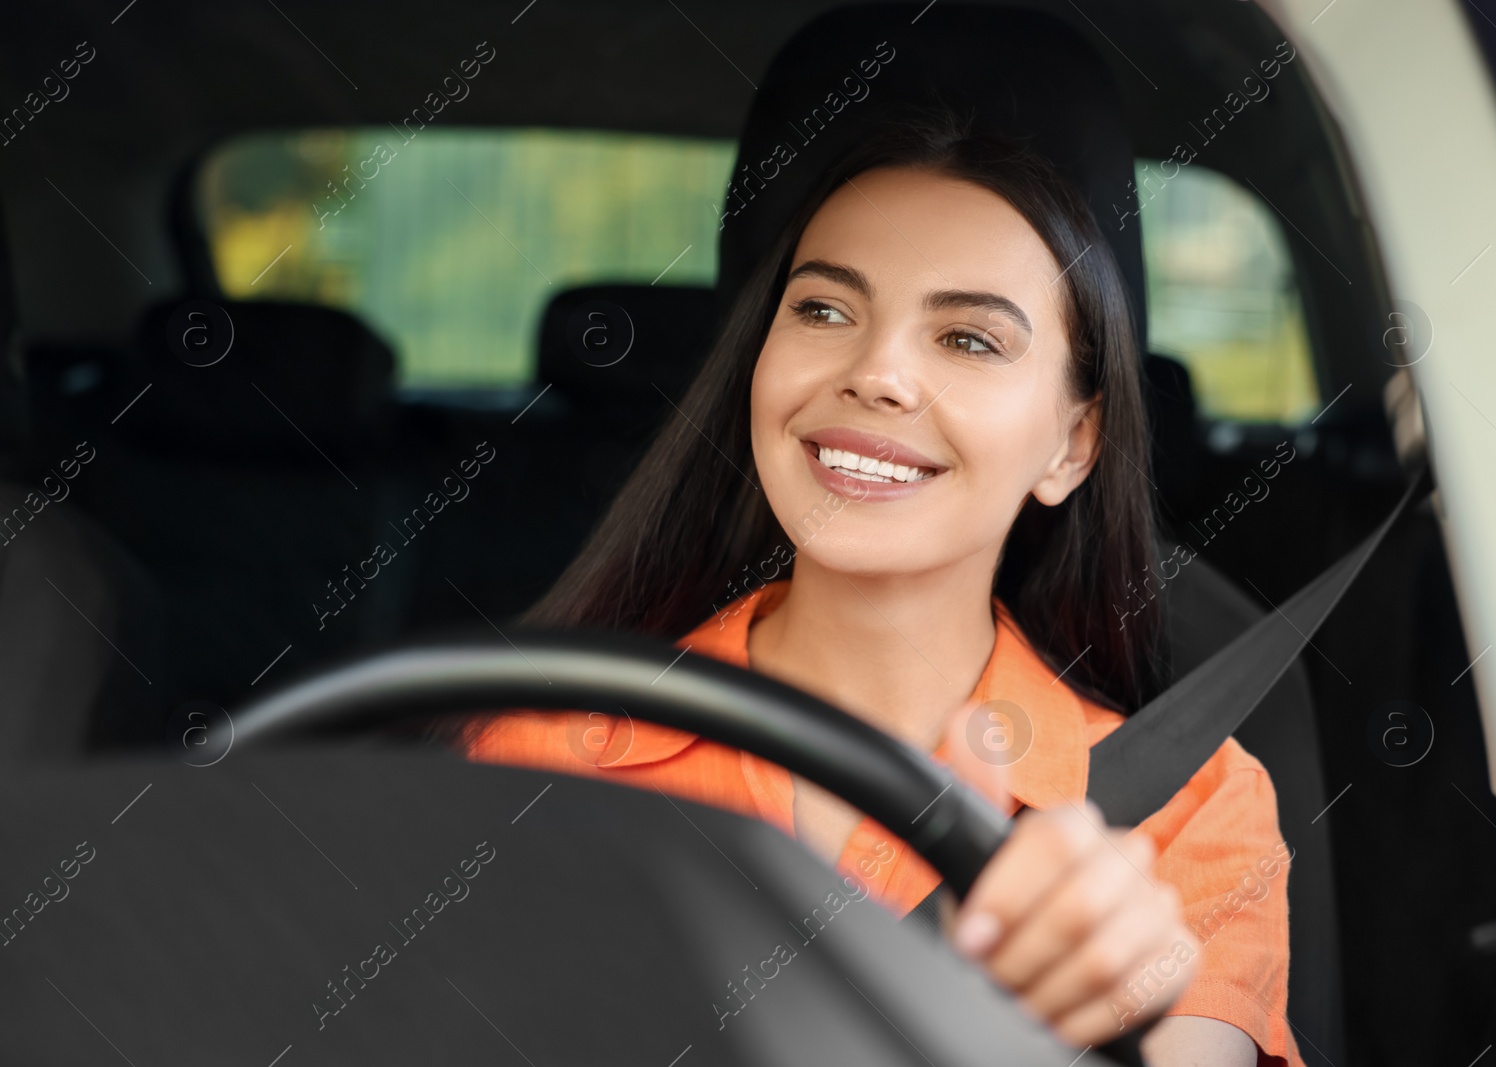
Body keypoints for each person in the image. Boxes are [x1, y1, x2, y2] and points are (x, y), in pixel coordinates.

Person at [450, 111, 1300, 1067]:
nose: (879, 372)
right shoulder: (544, 755)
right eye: (824, 311)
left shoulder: (1187, 805)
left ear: (1072, 445)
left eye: (970, 339)